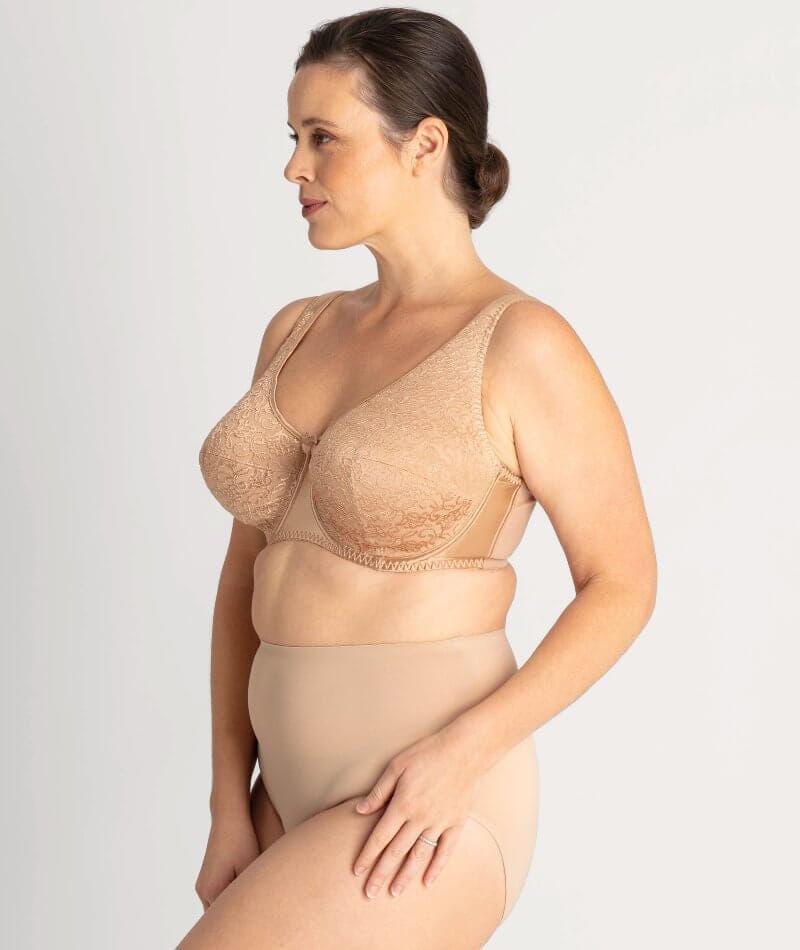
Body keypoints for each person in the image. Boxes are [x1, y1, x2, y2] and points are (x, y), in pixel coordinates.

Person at [178, 8, 657, 948]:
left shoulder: (522, 344)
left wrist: (462, 755)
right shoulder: (296, 331)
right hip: (282, 793)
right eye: (293, 138)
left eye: (323, 137)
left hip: (428, 798)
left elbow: (624, 584)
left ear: (423, 145)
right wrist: (229, 798)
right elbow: (243, 579)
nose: (294, 168)